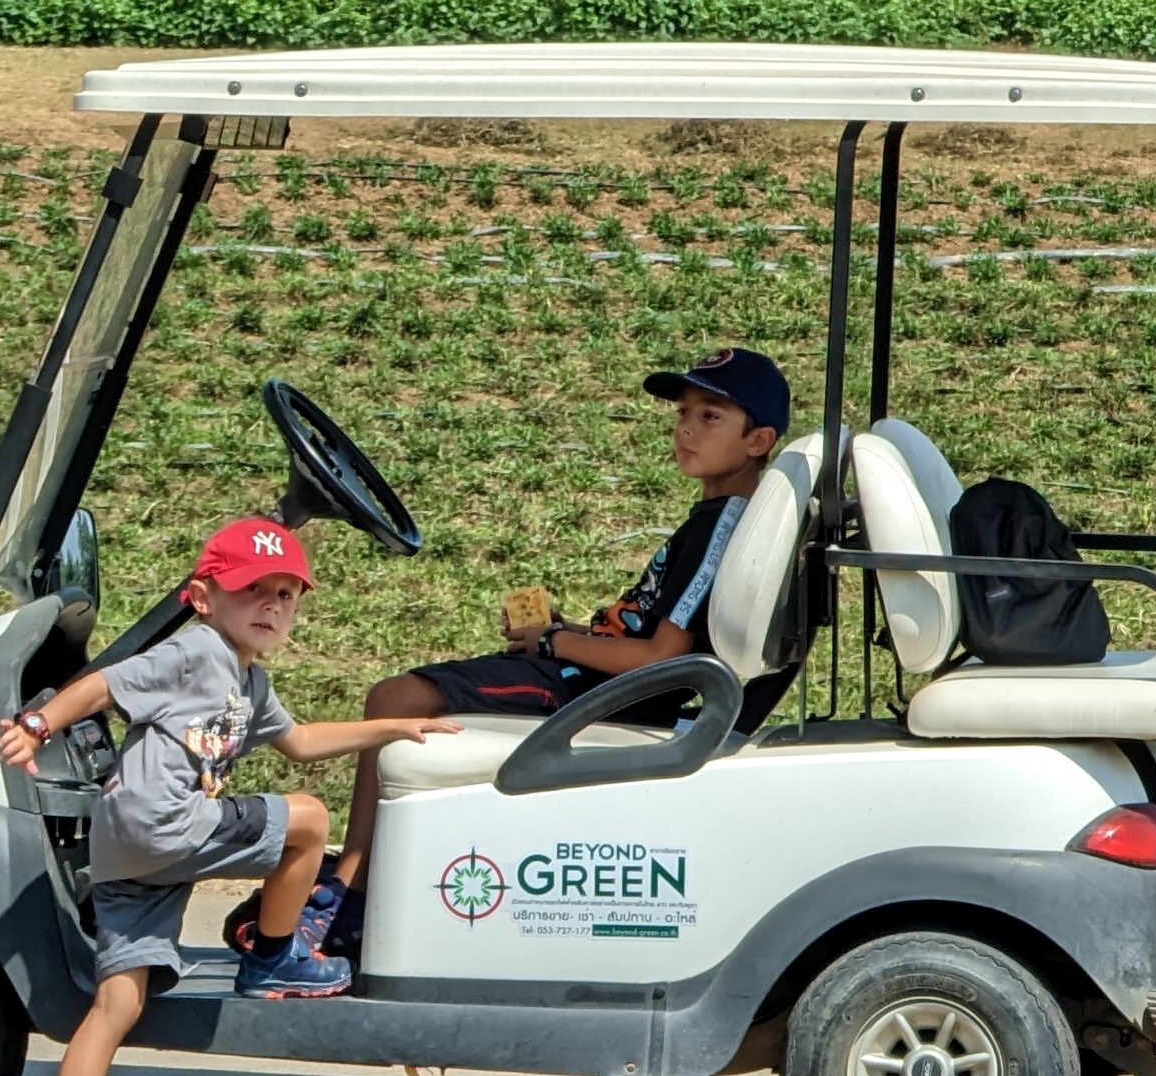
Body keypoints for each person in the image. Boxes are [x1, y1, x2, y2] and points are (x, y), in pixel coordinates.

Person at [0, 515, 461, 1076]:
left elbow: (300, 741)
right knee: (309, 819)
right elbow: (104, 686)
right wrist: (37, 726)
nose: (271, 606)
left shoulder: (250, 685)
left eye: (285, 595)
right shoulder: (195, 652)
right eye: (252, 590)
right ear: (202, 598)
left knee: (118, 1002)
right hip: (163, 821)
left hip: (128, 851)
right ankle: (273, 958)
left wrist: (391, 726)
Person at [316, 344, 796, 959]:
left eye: (710, 416)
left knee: (394, 698)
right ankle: (358, 882)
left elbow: (662, 660)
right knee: (401, 697)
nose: (685, 428)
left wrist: (556, 641)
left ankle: (349, 894)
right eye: (682, 412)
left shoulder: (722, 525)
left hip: (606, 697)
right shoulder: (713, 516)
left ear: (758, 441)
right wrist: (568, 634)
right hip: (592, 675)